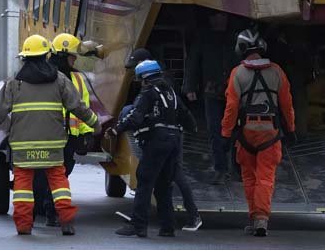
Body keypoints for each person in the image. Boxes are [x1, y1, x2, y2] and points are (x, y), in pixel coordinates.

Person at [0, 35, 99, 236]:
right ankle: (66, 221)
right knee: (59, 183)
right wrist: (95, 123)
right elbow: (77, 106)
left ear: (24, 58)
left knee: (23, 188)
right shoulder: (60, 80)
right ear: (45, 55)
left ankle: (24, 226)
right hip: (53, 145)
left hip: (23, 147)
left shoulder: (14, 83)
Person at [221, 28, 295, 237]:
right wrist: (291, 129)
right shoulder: (277, 72)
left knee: (249, 178)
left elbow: (231, 108)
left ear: (241, 49)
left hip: (246, 134)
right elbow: (287, 105)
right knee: (265, 177)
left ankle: (254, 217)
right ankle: (261, 219)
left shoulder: (237, 73)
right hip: (270, 134)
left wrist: (226, 134)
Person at [113, 60, 196, 238]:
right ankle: (167, 227)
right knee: (163, 185)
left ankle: (138, 225)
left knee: (144, 182)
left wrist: (116, 129)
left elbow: (135, 117)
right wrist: (193, 128)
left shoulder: (148, 93)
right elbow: (186, 115)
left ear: (144, 78)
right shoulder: (171, 93)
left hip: (157, 143)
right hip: (174, 143)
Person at [32, 33, 93, 227]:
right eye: (72, 56)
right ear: (62, 55)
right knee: (46, 176)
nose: (74, 60)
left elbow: (83, 106)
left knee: (62, 175)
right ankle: (48, 210)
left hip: (70, 136)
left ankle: (51, 210)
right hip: (49, 135)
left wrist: (86, 132)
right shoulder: (45, 75)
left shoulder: (77, 78)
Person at [184, 12, 237, 184]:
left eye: (222, 15)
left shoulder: (234, 37)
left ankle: (235, 168)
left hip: (234, 91)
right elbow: (193, 62)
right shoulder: (204, 38)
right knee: (215, 130)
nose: (219, 19)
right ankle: (220, 168)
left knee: (234, 131)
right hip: (212, 91)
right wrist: (190, 86)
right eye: (215, 16)